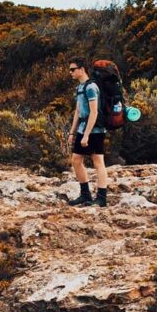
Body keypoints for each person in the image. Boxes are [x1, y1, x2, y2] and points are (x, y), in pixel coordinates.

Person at [66, 58, 108, 207]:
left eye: (73, 69)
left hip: (95, 130)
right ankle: (85, 195)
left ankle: (102, 198)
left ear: (82, 69)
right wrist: (72, 133)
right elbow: (78, 111)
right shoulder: (80, 87)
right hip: (83, 129)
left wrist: (86, 135)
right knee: (76, 160)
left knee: (98, 162)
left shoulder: (91, 87)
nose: (70, 72)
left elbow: (94, 112)